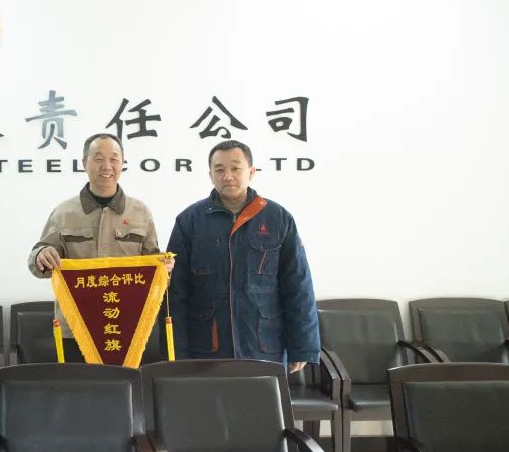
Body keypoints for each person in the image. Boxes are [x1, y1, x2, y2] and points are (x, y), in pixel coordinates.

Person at [167, 139, 318, 372]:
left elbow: (298, 286)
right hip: (206, 349)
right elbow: (176, 294)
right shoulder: (190, 221)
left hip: (264, 346)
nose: (228, 176)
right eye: (220, 170)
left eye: (235, 168)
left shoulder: (278, 218)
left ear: (251, 172)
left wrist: (303, 347)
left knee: (262, 399)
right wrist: (177, 354)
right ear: (210, 175)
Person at [28, 133, 173, 362]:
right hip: (76, 329)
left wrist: (165, 267)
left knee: (124, 385)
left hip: (128, 327)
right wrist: (41, 255)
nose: (107, 166)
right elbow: (37, 262)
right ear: (84, 163)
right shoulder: (64, 213)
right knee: (78, 384)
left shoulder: (140, 213)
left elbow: (154, 268)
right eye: (98, 158)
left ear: (123, 163)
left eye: (114, 159)